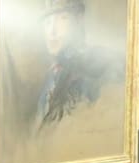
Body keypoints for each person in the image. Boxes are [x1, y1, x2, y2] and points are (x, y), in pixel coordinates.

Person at [34, 0, 120, 130]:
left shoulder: (100, 64)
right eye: (47, 22)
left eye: (62, 19)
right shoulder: (51, 77)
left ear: (78, 20)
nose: (52, 31)